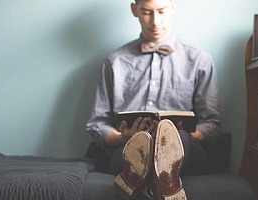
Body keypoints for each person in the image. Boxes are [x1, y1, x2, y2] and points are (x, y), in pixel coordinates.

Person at [86, 0, 220, 199]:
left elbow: (211, 123)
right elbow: (97, 124)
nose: (155, 21)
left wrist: (187, 134)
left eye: (161, 11)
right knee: (133, 150)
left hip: (184, 146)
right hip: (129, 145)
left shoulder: (199, 59)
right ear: (135, 10)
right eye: (147, 12)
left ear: (173, 8)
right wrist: (122, 137)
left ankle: (140, 179)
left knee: (177, 139)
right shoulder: (114, 61)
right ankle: (164, 185)